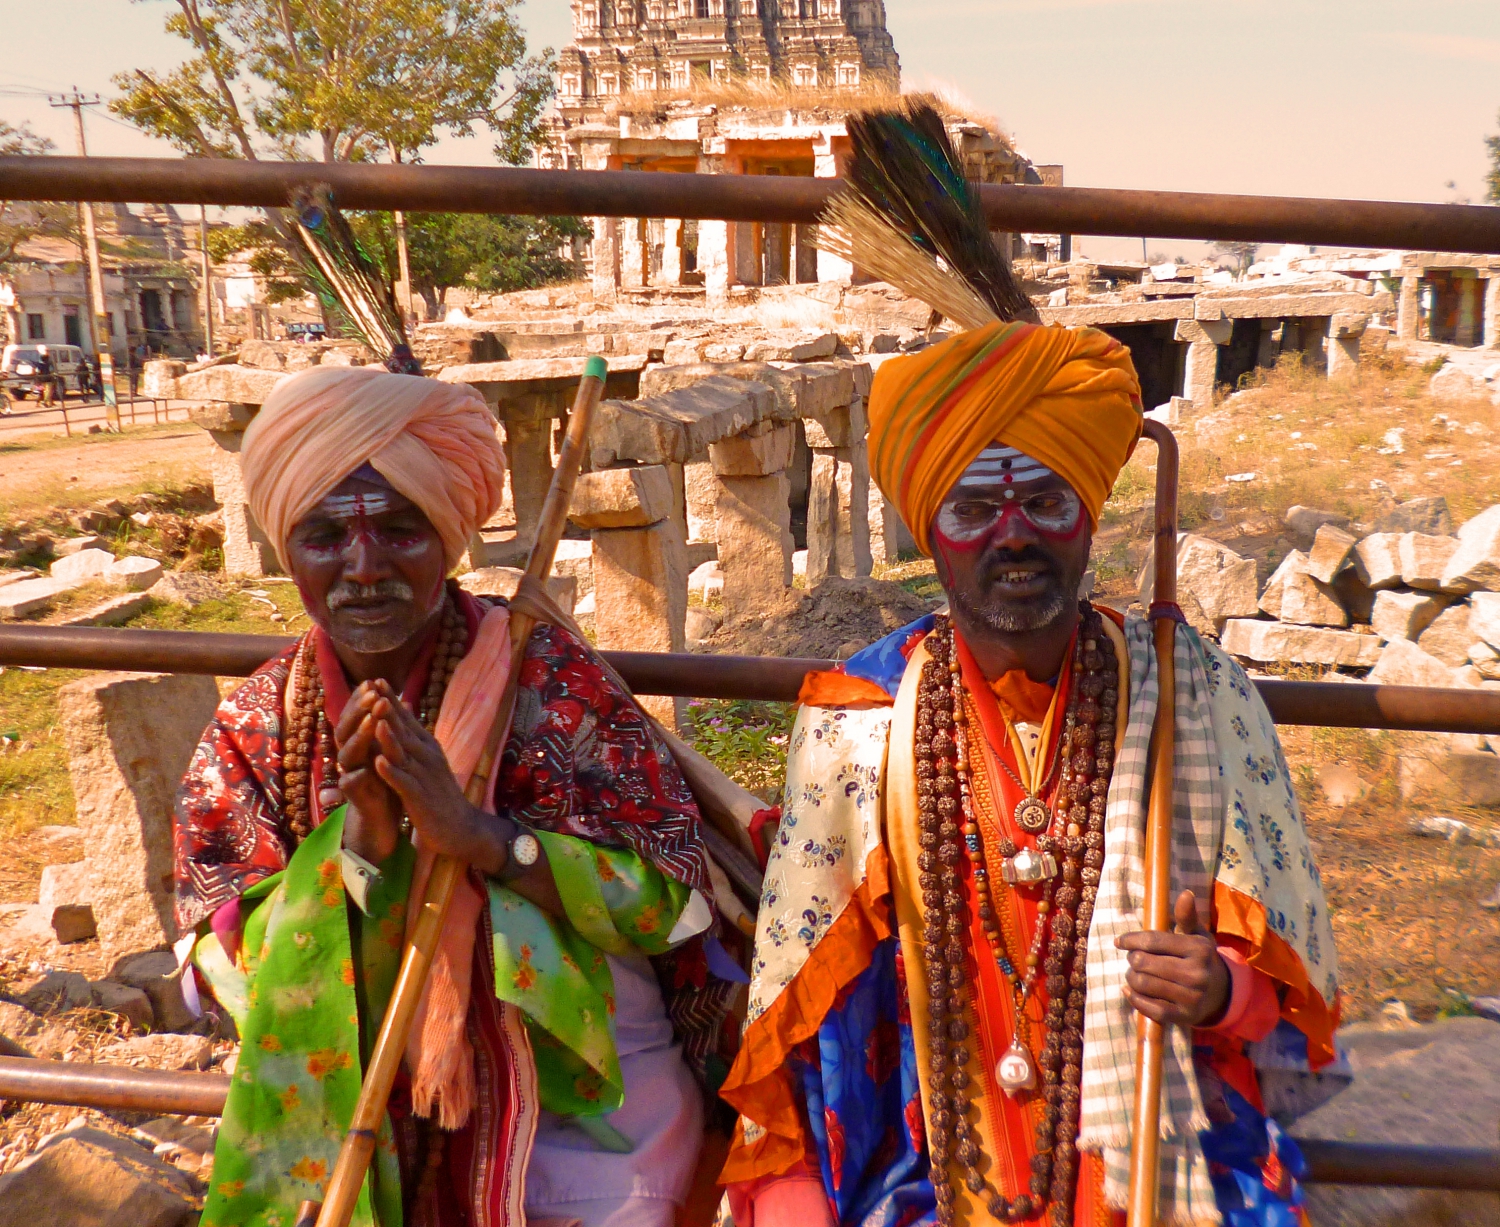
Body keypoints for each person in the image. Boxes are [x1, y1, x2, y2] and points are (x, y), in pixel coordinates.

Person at [720, 321, 1340, 1227]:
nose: (1013, 538)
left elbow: (1289, 1001)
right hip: (920, 1184)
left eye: (1045, 502)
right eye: (974, 511)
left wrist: (1219, 991)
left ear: (1088, 515)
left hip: (1154, 1179)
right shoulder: (862, 716)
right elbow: (805, 1033)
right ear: (930, 530)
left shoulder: (1197, 694)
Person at [174, 364, 740, 1227]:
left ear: (450, 533)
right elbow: (216, 971)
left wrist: (481, 837)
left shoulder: (550, 682)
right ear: (287, 548)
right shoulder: (261, 725)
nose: (364, 568)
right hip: (349, 1104)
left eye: (400, 528)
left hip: (585, 1107)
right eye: (326, 536)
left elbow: (673, 900)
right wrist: (359, 849)